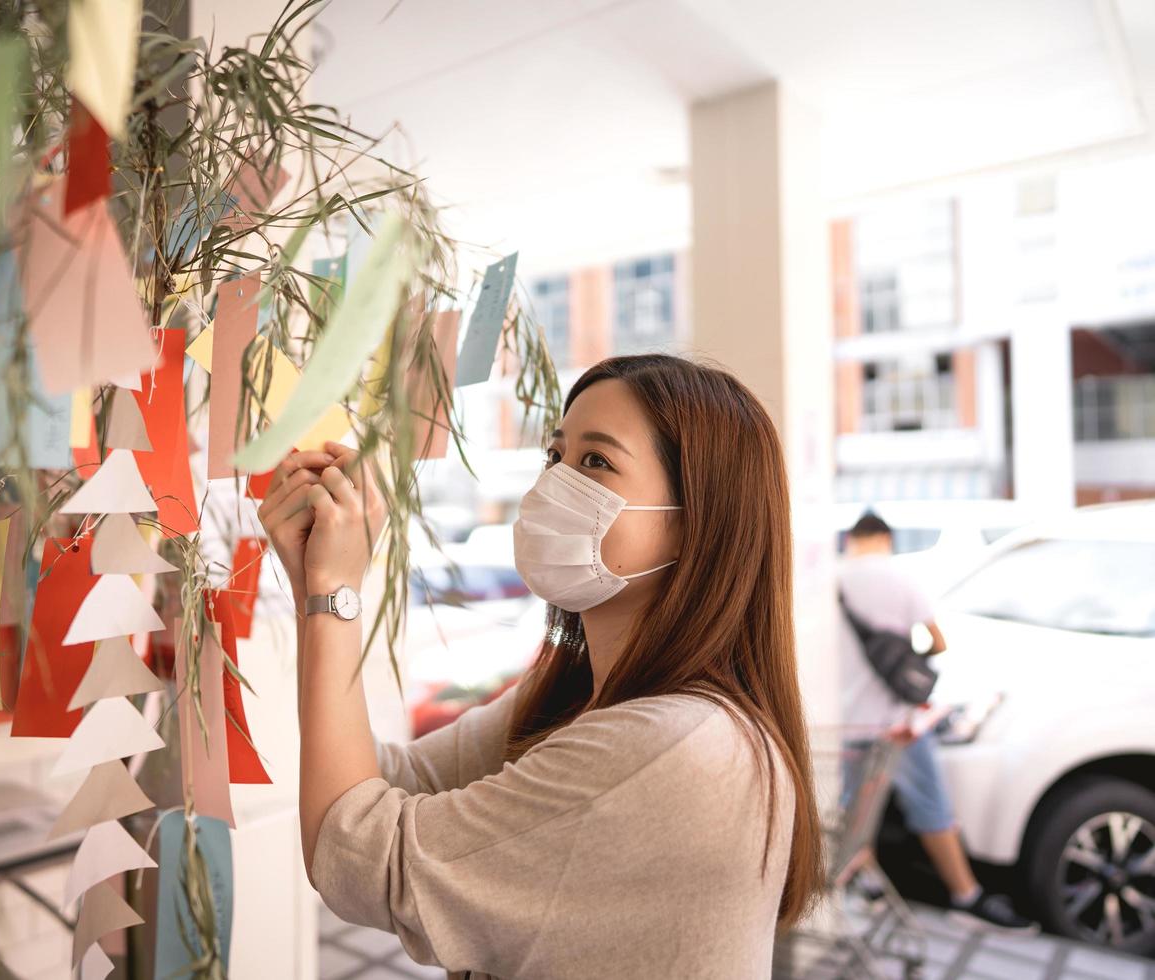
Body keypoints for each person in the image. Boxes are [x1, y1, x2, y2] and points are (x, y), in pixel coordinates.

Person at [258, 354, 823, 979]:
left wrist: (332, 597)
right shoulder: (584, 693)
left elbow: (363, 857)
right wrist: (317, 586)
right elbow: (394, 780)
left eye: (596, 462)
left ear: (699, 521)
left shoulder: (675, 744)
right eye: (556, 457)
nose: (553, 483)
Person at [838, 511, 1035, 933]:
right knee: (930, 805)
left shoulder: (832, 580)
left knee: (853, 813)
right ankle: (966, 895)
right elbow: (937, 641)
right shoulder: (902, 578)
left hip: (844, 723)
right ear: (885, 539)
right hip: (896, 722)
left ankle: (858, 886)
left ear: (854, 539)